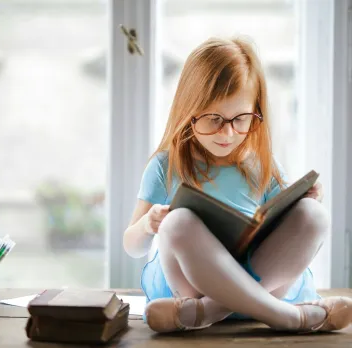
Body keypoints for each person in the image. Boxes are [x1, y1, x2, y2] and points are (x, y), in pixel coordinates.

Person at [123, 37, 352, 333]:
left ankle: (209, 312)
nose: (228, 133)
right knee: (176, 223)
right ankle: (289, 318)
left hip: (257, 286)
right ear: (188, 111)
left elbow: (288, 230)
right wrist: (147, 225)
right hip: (193, 286)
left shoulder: (262, 164)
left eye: (241, 119)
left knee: (314, 215)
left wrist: (304, 200)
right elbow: (132, 246)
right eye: (213, 119)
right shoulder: (166, 166)